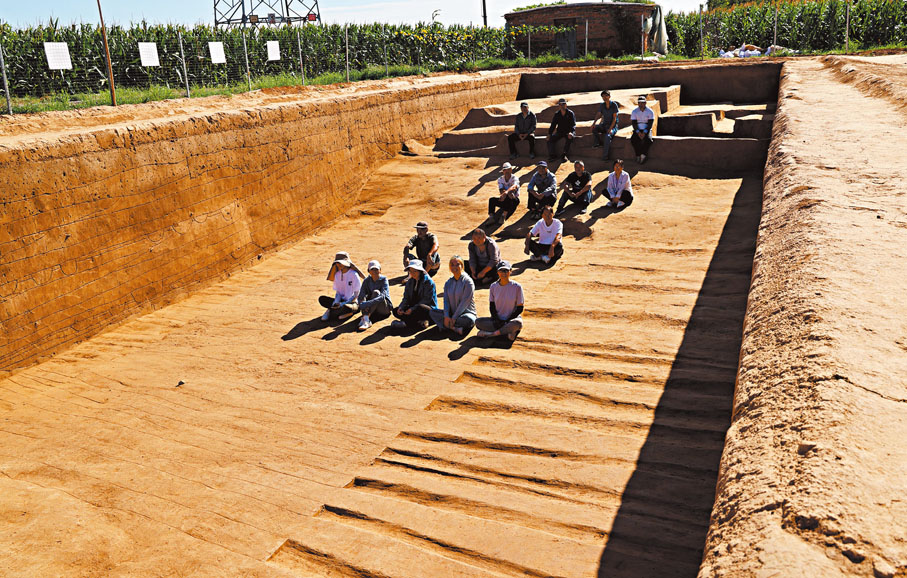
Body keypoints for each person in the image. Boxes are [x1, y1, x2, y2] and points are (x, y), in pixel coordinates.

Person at [429, 256, 477, 336]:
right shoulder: (448, 282)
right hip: (452, 314)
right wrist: (447, 316)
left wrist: (454, 317)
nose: (454, 267)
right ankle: (454, 328)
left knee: (470, 320)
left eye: (457, 264)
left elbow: (465, 302)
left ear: (462, 266)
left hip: (466, 314)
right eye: (452, 265)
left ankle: (447, 326)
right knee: (432, 312)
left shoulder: (468, 282)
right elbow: (446, 301)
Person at [476, 261, 523, 341]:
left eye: (506, 271)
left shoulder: (517, 287)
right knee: (478, 322)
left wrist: (507, 321)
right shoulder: (493, 286)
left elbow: (520, 308)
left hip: (511, 320)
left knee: (518, 324)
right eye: (501, 271)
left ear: (510, 271)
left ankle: (493, 334)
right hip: (497, 320)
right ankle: (508, 332)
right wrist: (496, 319)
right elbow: (492, 306)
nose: (504, 273)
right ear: (497, 272)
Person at [391, 259, 437, 330]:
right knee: (395, 310)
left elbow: (426, 300)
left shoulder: (428, 282)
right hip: (413, 308)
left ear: (420, 271)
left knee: (420, 307)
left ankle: (407, 323)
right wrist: (401, 307)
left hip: (426, 308)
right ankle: (418, 322)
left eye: (415, 271)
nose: (412, 273)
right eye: (411, 271)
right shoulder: (410, 282)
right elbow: (406, 298)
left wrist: (412, 309)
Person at [319, 251, 364, 321]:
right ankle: (331, 309)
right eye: (337, 262)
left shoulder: (354, 274)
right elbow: (338, 292)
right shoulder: (337, 275)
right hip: (341, 301)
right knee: (322, 299)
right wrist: (336, 303)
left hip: (353, 302)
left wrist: (343, 304)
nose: (338, 264)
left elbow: (356, 294)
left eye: (340, 262)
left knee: (347, 307)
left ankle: (342, 311)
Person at [357, 260, 392, 331]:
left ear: (380, 270)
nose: (374, 271)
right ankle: (366, 318)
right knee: (363, 299)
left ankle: (366, 319)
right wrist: (362, 303)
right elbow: (361, 295)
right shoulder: (366, 281)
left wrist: (367, 304)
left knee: (376, 293)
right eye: (372, 269)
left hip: (384, 309)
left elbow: (382, 297)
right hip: (373, 309)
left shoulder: (384, 279)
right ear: (368, 271)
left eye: (376, 269)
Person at [592, 90, 620, 159]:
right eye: (603, 96)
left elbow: (614, 118)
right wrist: (594, 123)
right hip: (604, 125)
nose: (605, 97)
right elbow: (598, 114)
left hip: (613, 127)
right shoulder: (602, 105)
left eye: (606, 96)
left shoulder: (614, 105)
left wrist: (610, 129)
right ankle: (598, 143)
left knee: (607, 136)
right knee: (594, 129)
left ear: (609, 96)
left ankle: (605, 156)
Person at [547, 98, 576, 162]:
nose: (562, 105)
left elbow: (573, 124)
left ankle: (564, 155)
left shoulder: (570, 113)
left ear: (566, 105)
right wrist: (549, 134)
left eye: (564, 104)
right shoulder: (557, 114)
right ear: (559, 105)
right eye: (561, 104)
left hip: (568, 132)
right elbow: (553, 124)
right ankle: (552, 155)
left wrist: (571, 132)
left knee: (570, 138)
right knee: (550, 139)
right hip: (560, 132)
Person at [630, 95, 655, 164]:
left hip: (646, 129)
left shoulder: (650, 111)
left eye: (643, 103)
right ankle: (638, 155)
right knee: (633, 140)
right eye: (640, 103)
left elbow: (650, 123)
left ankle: (643, 155)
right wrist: (638, 132)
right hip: (638, 129)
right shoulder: (634, 112)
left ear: (645, 103)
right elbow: (634, 123)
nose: (641, 104)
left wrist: (644, 132)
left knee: (649, 140)